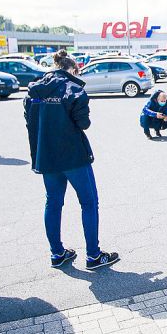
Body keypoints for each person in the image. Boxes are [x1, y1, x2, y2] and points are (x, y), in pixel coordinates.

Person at [25, 50, 119, 270]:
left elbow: (29, 120)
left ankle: (57, 253)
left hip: (46, 155)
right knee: (89, 202)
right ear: (73, 69)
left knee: (53, 202)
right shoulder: (74, 89)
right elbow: (83, 123)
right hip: (73, 155)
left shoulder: (34, 89)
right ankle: (93, 255)